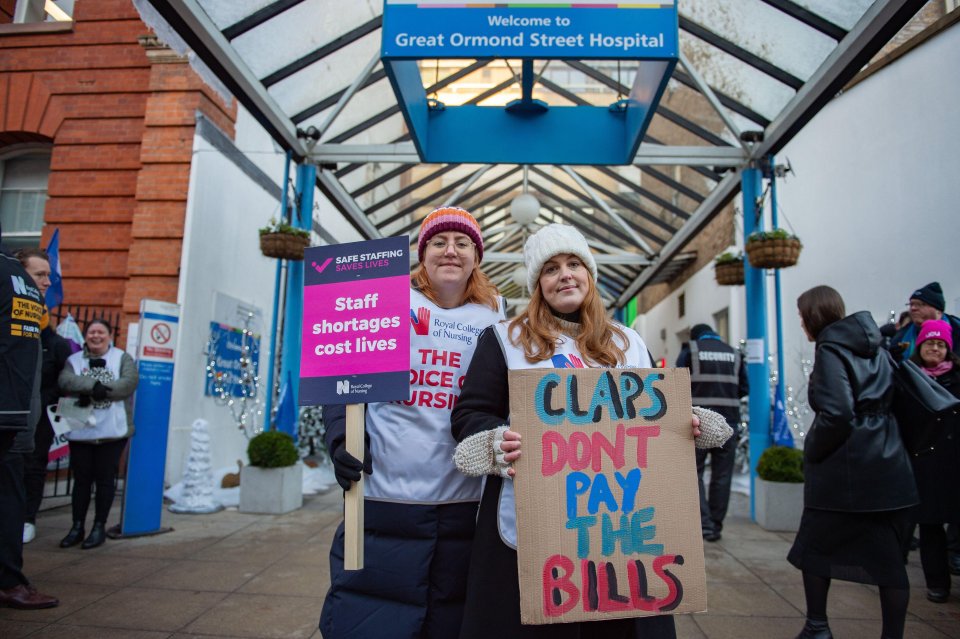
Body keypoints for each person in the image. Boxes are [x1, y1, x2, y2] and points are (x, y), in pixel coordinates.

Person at [449, 223, 731, 639]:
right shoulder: (505, 340)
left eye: (574, 264)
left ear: (589, 275)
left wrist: (682, 425)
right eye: (551, 268)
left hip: (622, 534)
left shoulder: (629, 342)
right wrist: (495, 441)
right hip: (536, 528)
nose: (565, 275)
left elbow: (651, 413)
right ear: (537, 284)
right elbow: (470, 413)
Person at [319, 207, 504, 639]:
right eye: (439, 242)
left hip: (464, 502)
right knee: (370, 616)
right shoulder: (386, 302)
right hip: (385, 495)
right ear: (422, 255)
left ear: (476, 257)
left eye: (462, 243)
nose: (450, 251)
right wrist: (341, 437)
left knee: (449, 619)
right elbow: (342, 380)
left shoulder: (497, 318)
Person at [788, 285, 918, 639]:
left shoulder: (830, 347)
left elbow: (837, 414)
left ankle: (818, 626)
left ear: (812, 316)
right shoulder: (877, 347)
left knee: (814, 551)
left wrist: (812, 450)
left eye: (802, 317)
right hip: (891, 469)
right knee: (891, 566)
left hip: (846, 473)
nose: (801, 324)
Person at [0, 240, 59, 609]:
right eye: (39, 274)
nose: (45, 282)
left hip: (19, 421)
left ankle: (9, 577)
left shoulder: (39, 322)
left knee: (12, 497)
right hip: (13, 420)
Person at [58, 318, 138, 550]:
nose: (96, 336)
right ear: (85, 336)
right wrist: (92, 386)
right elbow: (65, 380)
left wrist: (101, 390)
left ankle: (99, 526)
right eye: (91, 332)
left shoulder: (121, 358)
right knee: (81, 482)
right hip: (80, 430)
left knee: (105, 481)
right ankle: (77, 526)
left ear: (110, 334)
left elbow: (129, 383)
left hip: (112, 431)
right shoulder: (74, 360)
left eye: (100, 332)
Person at [15, 249, 72, 544]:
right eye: (40, 275)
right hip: (10, 413)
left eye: (49, 275)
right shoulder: (10, 322)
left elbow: (67, 382)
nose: (48, 282)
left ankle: (26, 518)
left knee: (33, 467)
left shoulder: (56, 343)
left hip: (39, 418)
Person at [901, 319, 960, 603]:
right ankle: (937, 583)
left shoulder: (958, 378)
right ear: (920, 345)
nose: (934, 349)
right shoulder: (910, 378)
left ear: (948, 349)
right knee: (930, 526)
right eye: (929, 343)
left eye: (940, 344)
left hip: (955, 460)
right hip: (924, 461)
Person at [676, 323, 748, 542]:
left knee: (693, 475)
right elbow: (745, 389)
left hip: (697, 426)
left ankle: (704, 525)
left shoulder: (691, 351)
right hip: (729, 425)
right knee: (722, 475)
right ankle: (716, 525)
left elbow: (676, 383)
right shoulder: (735, 354)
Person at [888, 282, 960, 362]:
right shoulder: (902, 337)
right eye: (911, 304)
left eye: (920, 304)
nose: (913, 308)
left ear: (938, 311)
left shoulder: (957, 330)